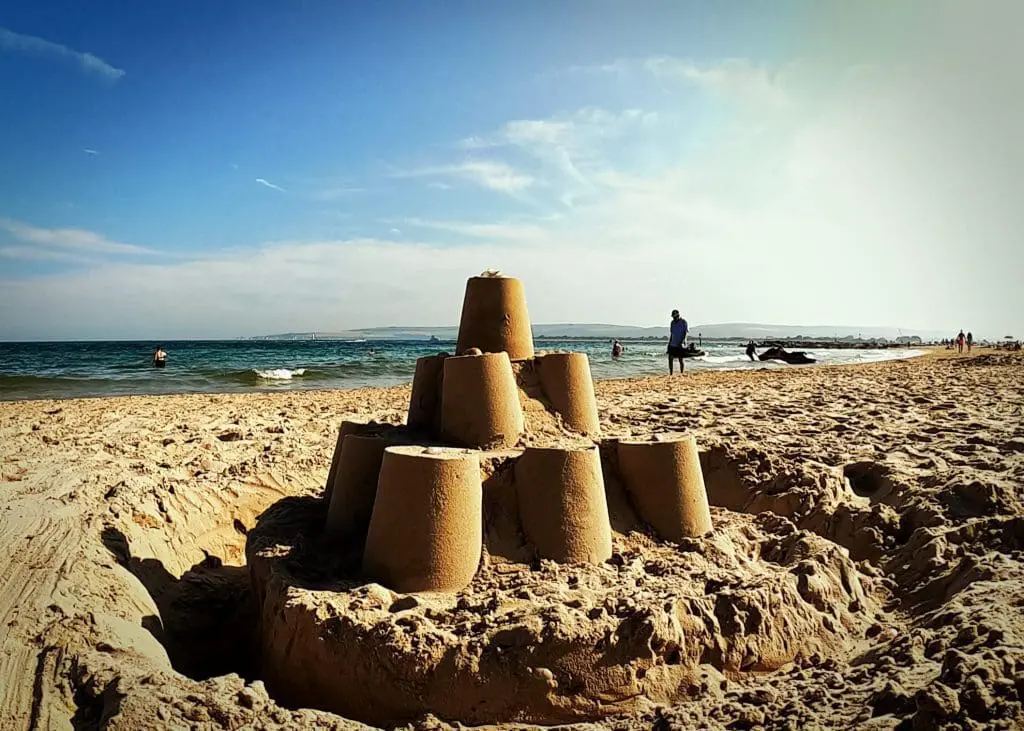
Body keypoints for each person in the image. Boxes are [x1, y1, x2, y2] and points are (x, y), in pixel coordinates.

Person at [667, 309, 688, 374]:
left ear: (678, 315)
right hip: (673, 343)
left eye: (675, 316)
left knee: (680, 359)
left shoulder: (683, 322)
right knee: (670, 358)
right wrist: (669, 343)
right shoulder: (672, 323)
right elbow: (672, 334)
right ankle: (671, 373)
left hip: (680, 343)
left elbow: (686, 333)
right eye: (673, 317)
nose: (674, 318)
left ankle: (681, 373)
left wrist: (683, 341)